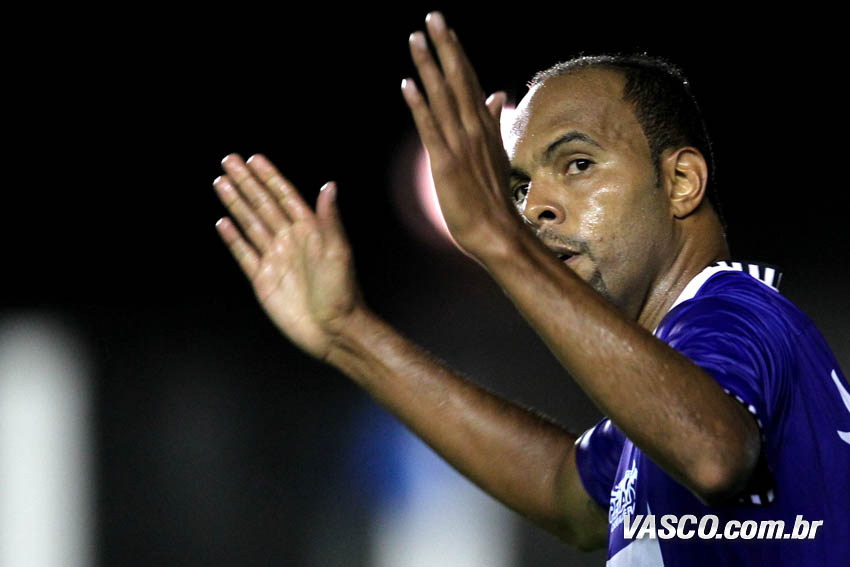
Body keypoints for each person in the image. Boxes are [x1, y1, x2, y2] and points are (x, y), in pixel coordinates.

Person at [211, 11, 850, 565]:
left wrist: (499, 238)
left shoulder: (732, 313)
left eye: (578, 164)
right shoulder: (682, 374)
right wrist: (348, 333)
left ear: (681, 182)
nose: (535, 208)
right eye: (519, 189)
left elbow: (713, 453)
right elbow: (564, 492)